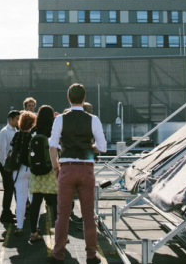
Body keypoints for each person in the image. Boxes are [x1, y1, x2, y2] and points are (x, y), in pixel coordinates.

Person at [48, 84, 107, 264]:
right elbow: (102, 147)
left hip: (66, 167)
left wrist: (56, 168)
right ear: (84, 98)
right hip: (87, 169)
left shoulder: (60, 120)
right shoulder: (93, 119)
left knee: (63, 214)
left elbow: (52, 147)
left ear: (68, 98)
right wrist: (90, 148)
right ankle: (91, 255)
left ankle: (58, 254)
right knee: (88, 214)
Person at [28, 105, 58, 244]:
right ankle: (59, 233)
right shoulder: (54, 130)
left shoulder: (33, 131)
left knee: (36, 202)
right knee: (55, 203)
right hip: (51, 169)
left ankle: (33, 233)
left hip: (36, 172)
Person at [12, 110, 35, 236]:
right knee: (34, 200)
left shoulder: (17, 136)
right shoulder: (34, 136)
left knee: (20, 199)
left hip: (19, 169)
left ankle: (19, 227)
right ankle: (35, 227)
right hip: (32, 170)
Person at [0, 110, 20, 223]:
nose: (18, 121)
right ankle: (5, 213)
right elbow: (2, 150)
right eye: (16, 119)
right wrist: (4, 165)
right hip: (6, 165)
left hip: (12, 165)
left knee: (12, 189)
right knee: (8, 190)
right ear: (10, 119)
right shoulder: (4, 132)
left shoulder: (16, 131)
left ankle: (7, 212)